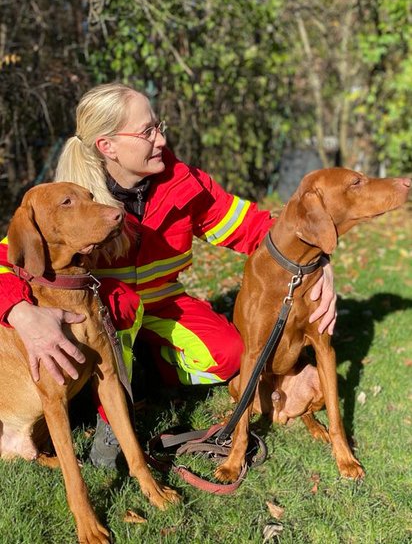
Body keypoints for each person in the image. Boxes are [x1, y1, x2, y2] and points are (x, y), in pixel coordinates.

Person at [0, 83, 336, 468]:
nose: (161, 138)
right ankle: (111, 415)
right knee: (121, 304)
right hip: (101, 311)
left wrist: (318, 259)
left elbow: (254, 228)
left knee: (228, 354)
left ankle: (150, 371)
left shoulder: (184, 184)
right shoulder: (70, 198)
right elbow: (6, 260)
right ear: (107, 146)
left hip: (162, 302)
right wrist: (20, 313)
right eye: (147, 132)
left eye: (158, 125)